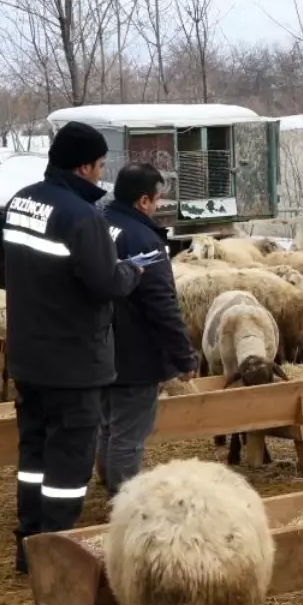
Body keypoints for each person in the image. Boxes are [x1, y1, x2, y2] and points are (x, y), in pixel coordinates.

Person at [4, 120, 142, 574]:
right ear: (84, 166)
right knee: (69, 461)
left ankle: (29, 543)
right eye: (100, 165)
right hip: (73, 360)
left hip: (29, 354)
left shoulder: (20, 202)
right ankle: (57, 555)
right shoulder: (83, 217)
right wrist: (132, 271)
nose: (102, 175)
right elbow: (105, 282)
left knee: (35, 454)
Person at [99, 163, 198, 498]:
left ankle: (108, 483)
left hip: (101, 346)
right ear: (142, 201)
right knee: (128, 435)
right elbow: (161, 304)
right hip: (135, 354)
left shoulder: (100, 224)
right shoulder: (143, 240)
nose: (157, 206)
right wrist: (183, 357)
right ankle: (123, 501)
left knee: (108, 427)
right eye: (156, 200)